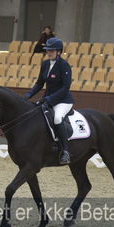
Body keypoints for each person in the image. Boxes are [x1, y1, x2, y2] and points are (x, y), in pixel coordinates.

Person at [24, 37, 74, 165]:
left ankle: (65, 151)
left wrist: (49, 99)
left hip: (63, 101)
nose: (49, 52)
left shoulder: (64, 65)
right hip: (48, 99)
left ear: (58, 51)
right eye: (48, 50)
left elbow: (65, 87)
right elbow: (40, 83)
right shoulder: (45, 64)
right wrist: (29, 94)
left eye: (52, 50)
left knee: (57, 118)